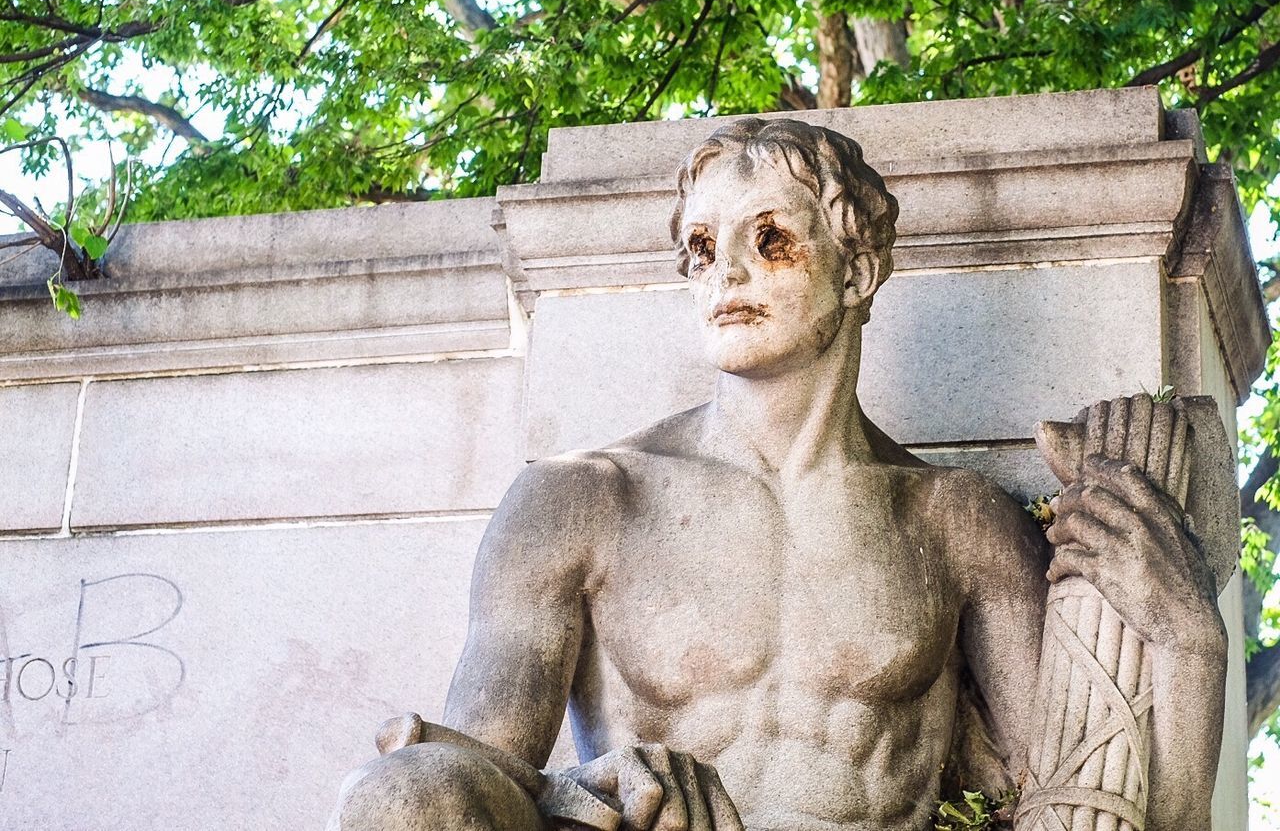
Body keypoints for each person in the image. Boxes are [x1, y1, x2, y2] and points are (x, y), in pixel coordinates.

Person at [333, 117, 1227, 831]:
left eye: (770, 241)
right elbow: (477, 779)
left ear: (858, 271)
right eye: (701, 248)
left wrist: (1191, 639)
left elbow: (1075, 805)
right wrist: (582, 789)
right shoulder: (585, 499)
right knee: (401, 795)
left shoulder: (955, 521)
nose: (727, 273)